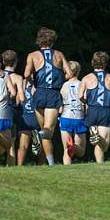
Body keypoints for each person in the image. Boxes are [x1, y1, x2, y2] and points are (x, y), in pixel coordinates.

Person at [25, 28, 73, 170]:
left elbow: (27, 74)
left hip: (39, 92)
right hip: (53, 93)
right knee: (48, 131)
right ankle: (39, 135)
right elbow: (69, 74)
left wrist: (34, 81)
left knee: (45, 131)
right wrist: (59, 80)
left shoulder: (33, 55)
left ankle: (51, 164)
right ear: (53, 41)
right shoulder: (59, 54)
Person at [82, 53, 110, 164]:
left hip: (92, 110)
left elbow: (80, 95)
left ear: (92, 63)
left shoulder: (86, 78)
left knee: (99, 144)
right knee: (105, 145)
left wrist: (86, 102)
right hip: (106, 110)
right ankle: (97, 139)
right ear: (106, 63)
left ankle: (100, 165)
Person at [0, 51, 23, 167]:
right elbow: (13, 93)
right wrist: (6, 96)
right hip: (3, 112)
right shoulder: (4, 76)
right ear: (0, 64)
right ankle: (3, 167)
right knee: (9, 145)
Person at [57, 61, 86, 164]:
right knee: (81, 151)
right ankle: (73, 146)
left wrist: (58, 115)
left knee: (66, 150)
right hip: (79, 116)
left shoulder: (64, 85)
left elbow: (60, 105)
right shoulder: (82, 84)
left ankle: (67, 170)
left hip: (65, 116)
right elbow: (85, 101)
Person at [14, 80, 41, 166]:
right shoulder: (40, 84)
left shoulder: (21, 84)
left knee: (23, 146)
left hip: (25, 118)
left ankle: (19, 166)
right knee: (41, 145)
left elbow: (17, 102)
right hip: (37, 117)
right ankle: (42, 164)